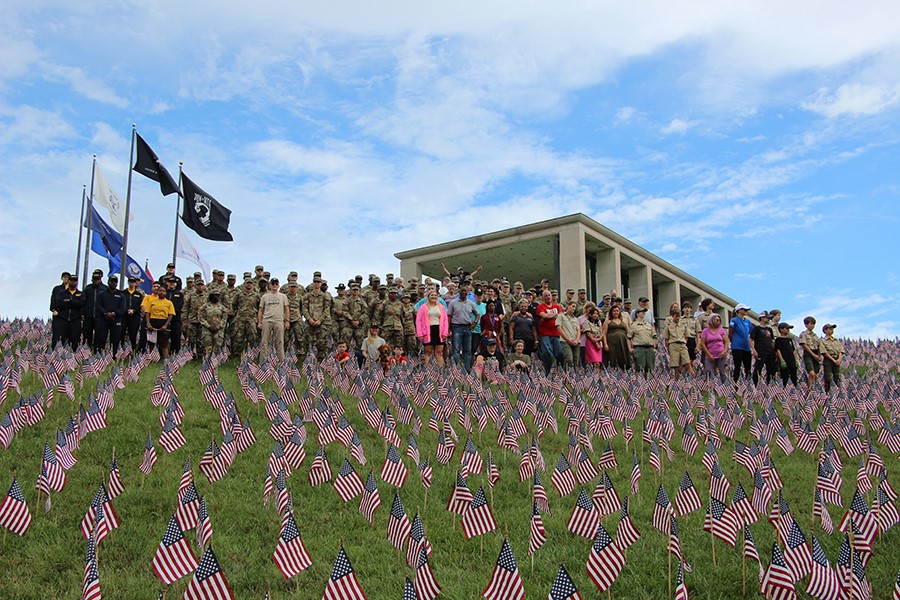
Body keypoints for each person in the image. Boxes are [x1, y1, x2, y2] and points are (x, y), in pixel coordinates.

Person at [447, 285, 479, 372]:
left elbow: (477, 314)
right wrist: (448, 328)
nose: (464, 292)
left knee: (467, 350)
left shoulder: (471, 303)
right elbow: (449, 315)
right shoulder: (453, 302)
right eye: (462, 291)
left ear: (468, 292)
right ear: (459, 292)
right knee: (456, 350)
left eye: (465, 291)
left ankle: (467, 370)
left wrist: (474, 323)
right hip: (456, 327)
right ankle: (457, 370)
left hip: (467, 328)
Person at [257, 278, 289, 363]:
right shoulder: (264, 296)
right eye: (273, 284)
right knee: (264, 342)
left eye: (276, 284)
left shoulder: (283, 296)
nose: (275, 285)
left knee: (280, 342)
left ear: (278, 285)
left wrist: (287, 321)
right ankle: (263, 362)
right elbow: (260, 310)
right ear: (270, 285)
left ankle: (281, 362)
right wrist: (259, 322)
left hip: (279, 321)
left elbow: (286, 309)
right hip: (267, 321)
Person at [415, 289, 449, 368]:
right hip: (427, 331)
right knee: (428, 352)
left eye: (435, 295)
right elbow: (418, 321)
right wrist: (419, 334)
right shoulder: (423, 307)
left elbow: (445, 321)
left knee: (439, 352)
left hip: (439, 331)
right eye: (432, 295)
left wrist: (445, 333)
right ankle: (428, 372)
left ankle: (441, 372)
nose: (433, 297)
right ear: (428, 296)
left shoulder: (441, 307)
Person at [52, 275, 85, 349]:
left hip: (75, 319)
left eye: (74, 280)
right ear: (69, 281)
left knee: (75, 340)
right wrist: (74, 303)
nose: (73, 282)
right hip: (63, 318)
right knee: (59, 340)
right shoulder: (62, 293)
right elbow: (60, 304)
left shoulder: (81, 294)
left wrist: (69, 301)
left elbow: (81, 304)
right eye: (71, 280)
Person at [95, 275, 126, 353]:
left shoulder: (121, 295)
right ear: (108, 282)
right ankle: (99, 357)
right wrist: (105, 313)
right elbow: (98, 306)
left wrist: (114, 314)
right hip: (103, 319)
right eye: (112, 281)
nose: (113, 283)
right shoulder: (101, 294)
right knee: (101, 339)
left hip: (116, 320)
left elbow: (122, 309)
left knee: (115, 340)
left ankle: (113, 357)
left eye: (115, 282)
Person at [536, 290, 565, 373]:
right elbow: (543, 315)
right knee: (547, 353)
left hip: (556, 334)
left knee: (560, 353)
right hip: (544, 334)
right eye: (546, 295)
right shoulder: (540, 306)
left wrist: (548, 317)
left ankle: (560, 371)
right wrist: (555, 315)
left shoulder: (557, 306)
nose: (548, 297)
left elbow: (560, 317)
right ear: (542, 297)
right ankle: (548, 371)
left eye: (549, 295)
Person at [145, 283, 176, 359]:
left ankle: (165, 359)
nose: (161, 292)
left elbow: (171, 314)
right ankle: (151, 359)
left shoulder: (169, 303)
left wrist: (165, 325)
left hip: (164, 322)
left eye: (163, 291)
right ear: (157, 292)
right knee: (151, 343)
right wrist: (148, 324)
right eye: (160, 291)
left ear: (166, 293)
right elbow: (147, 313)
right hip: (153, 322)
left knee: (164, 343)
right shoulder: (152, 301)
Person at [231, 277, 260, 357]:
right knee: (238, 337)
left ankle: (253, 354)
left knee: (252, 337)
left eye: (250, 283)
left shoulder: (256, 295)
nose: (249, 285)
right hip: (240, 319)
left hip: (252, 319)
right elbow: (234, 305)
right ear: (244, 284)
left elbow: (259, 306)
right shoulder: (239, 294)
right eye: (247, 283)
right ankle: (237, 354)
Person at [663, 306, 692, 380]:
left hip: (682, 344)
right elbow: (666, 339)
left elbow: (686, 336)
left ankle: (692, 379)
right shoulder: (668, 327)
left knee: (687, 362)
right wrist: (668, 348)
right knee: (675, 365)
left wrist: (684, 342)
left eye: (679, 316)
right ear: (672, 316)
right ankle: (677, 381)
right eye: (676, 316)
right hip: (673, 345)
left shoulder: (683, 326)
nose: (678, 318)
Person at [700, 313, 729, 382]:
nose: (718, 322)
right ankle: (709, 387)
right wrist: (708, 354)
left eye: (719, 320)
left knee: (722, 372)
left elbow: (726, 342)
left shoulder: (722, 330)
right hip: (710, 355)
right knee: (708, 370)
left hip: (721, 354)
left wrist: (725, 351)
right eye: (717, 320)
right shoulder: (705, 331)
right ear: (711, 320)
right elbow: (703, 343)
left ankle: (724, 387)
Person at [200, 291, 228, 360]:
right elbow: (201, 317)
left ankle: (214, 362)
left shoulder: (222, 307)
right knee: (207, 347)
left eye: (218, 295)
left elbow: (224, 318)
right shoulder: (205, 306)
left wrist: (219, 326)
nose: (217, 297)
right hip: (207, 330)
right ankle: (206, 362)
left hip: (218, 330)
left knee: (217, 346)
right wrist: (208, 326)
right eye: (215, 295)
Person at [749, 311, 776, 385]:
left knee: (771, 370)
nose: (768, 319)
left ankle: (770, 386)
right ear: (762, 318)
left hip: (770, 352)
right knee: (758, 369)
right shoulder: (756, 329)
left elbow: (772, 341)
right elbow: (751, 340)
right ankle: (755, 385)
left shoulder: (769, 329)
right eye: (767, 317)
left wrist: (774, 350)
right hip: (760, 352)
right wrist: (754, 350)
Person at [601, 305, 631, 370]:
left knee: (623, 359)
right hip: (611, 343)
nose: (616, 312)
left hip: (623, 343)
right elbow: (604, 334)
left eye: (617, 311)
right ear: (611, 312)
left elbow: (628, 333)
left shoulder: (624, 321)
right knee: (612, 358)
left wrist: (630, 345)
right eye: (614, 311)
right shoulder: (607, 321)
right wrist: (605, 344)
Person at [82, 269, 106, 350]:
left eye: (97, 278)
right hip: (88, 316)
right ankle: (86, 353)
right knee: (86, 336)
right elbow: (83, 302)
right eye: (94, 278)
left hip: (100, 317)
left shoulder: (105, 289)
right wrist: (83, 313)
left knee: (99, 337)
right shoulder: (87, 288)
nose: (96, 280)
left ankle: (97, 353)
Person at [629, 307, 656, 376]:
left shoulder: (648, 325)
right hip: (639, 348)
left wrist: (654, 347)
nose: (643, 313)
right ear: (637, 314)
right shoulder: (633, 325)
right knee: (639, 368)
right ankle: (639, 384)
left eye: (644, 312)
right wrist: (630, 348)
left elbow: (654, 336)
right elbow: (628, 337)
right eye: (641, 311)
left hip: (649, 348)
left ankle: (647, 385)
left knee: (650, 368)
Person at [729, 303, 753, 382]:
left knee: (748, 367)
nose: (746, 311)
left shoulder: (748, 322)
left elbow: (750, 333)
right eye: (744, 309)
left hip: (746, 347)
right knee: (737, 366)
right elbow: (730, 333)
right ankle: (735, 383)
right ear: (739, 310)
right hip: (737, 346)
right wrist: (734, 342)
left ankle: (748, 383)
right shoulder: (734, 320)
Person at [799, 316, 822, 389]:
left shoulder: (815, 335)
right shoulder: (804, 334)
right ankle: (809, 389)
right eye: (810, 324)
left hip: (816, 353)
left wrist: (819, 355)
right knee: (811, 373)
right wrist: (813, 354)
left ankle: (813, 388)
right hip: (809, 353)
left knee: (815, 373)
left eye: (813, 324)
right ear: (806, 325)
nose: (812, 326)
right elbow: (804, 345)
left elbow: (818, 346)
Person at [820, 323, 844, 393]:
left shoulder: (836, 340)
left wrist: (839, 359)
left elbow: (841, 350)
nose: (832, 330)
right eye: (830, 329)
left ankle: (837, 392)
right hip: (828, 359)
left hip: (837, 358)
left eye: (832, 329)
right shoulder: (823, 341)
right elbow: (824, 352)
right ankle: (828, 392)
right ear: (825, 330)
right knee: (828, 377)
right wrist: (833, 360)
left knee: (837, 376)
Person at [557, 301, 581, 369]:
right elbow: (559, 328)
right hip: (565, 341)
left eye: (575, 307)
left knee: (576, 360)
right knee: (569, 359)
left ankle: (575, 377)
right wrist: (568, 339)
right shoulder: (561, 316)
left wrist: (576, 340)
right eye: (573, 306)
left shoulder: (576, 319)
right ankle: (567, 377)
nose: (574, 308)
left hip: (576, 341)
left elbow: (578, 330)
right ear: (568, 306)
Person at [165, 276, 185, 354]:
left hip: (176, 318)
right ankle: (163, 353)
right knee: (164, 337)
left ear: (176, 284)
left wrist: (172, 312)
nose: (171, 284)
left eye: (173, 283)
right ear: (167, 283)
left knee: (176, 336)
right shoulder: (164, 292)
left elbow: (180, 305)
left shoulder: (179, 294)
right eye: (170, 283)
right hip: (164, 317)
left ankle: (175, 353)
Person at [124, 276, 145, 350]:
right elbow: (121, 303)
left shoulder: (139, 294)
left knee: (133, 334)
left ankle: (133, 350)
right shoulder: (123, 292)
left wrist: (134, 310)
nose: (131, 283)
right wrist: (126, 310)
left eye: (133, 282)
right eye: (130, 282)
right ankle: (122, 351)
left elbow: (140, 304)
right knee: (122, 334)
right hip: (124, 316)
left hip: (135, 316)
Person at [581, 307, 603, 372]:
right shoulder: (586, 322)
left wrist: (599, 340)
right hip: (591, 343)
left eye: (597, 314)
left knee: (598, 363)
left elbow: (602, 333)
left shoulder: (598, 323)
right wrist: (596, 342)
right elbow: (588, 334)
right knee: (593, 362)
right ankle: (591, 377)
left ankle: (598, 377)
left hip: (598, 342)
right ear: (590, 314)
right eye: (594, 313)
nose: (595, 315)